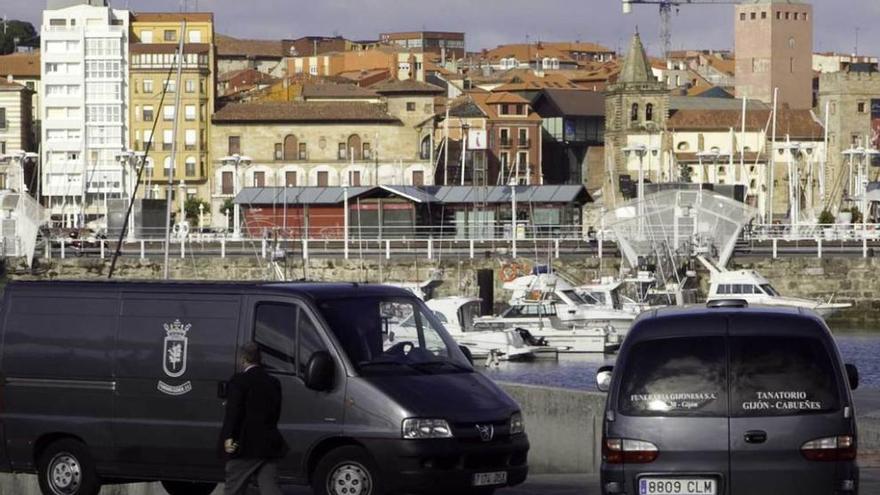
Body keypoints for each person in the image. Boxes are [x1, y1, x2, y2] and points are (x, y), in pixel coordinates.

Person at [220, 343, 288, 495]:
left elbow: (234, 414)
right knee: (270, 488)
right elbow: (275, 413)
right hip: (269, 444)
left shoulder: (239, 381)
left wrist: (229, 439)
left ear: (243, 359)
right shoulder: (274, 382)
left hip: (245, 446)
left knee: (234, 488)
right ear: (260, 358)